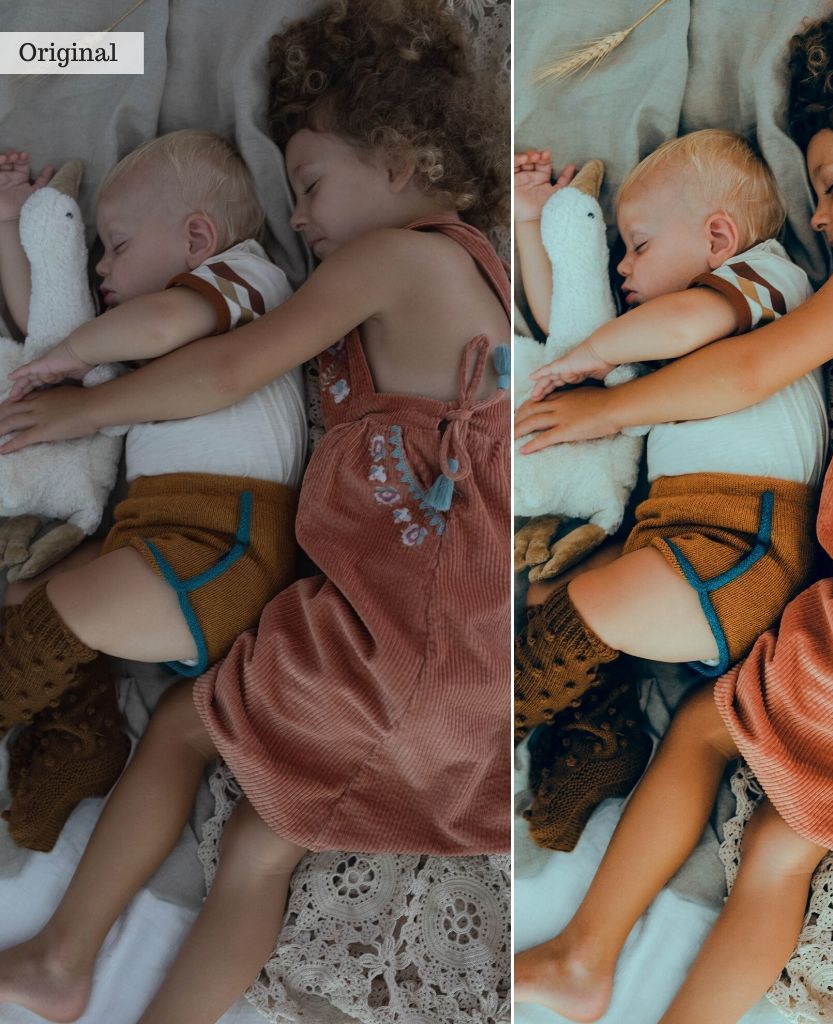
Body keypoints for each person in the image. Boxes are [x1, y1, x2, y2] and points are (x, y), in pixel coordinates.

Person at [514, 0, 833, 1020]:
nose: (819, 218)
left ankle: (583, 951)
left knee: (705, 728)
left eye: (829, 184)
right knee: (783, 842)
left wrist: (601, 409)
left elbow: (752, 368)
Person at [0, 0, 509, 1020]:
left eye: (310, 186)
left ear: (399, 160)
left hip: (412, 633)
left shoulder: (401, 258)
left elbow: (230, 367)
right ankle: (92, 982)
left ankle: (61, 956)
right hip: (457, 661)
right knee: (257, 848)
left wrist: (81, 410)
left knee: (183, 727)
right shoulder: (479, 280)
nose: (302, 220)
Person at [513, 130, 827, 851]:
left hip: (745, 544)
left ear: (719, 237)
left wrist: (596, 356)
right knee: (550, 593)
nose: (623, 266)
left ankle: (495, 715)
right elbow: (571, 324)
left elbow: (663, 325)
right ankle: (601, 741)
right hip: (675, 533)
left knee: (591, 607)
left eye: (640, 245)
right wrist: (530, 221)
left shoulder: (768, 279)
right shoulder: (656, 339)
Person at [0, 129, 305, 852]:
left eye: (117, 245)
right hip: (155, 535)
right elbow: (47, 327)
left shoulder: (247, 279)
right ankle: (79, 740)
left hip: (224, 545)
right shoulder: (133, 341)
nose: (101, 266)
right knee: (28, 595)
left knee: (66, 610)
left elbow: (149, 324)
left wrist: (76, 353)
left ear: (198, 237)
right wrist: (9, 223)